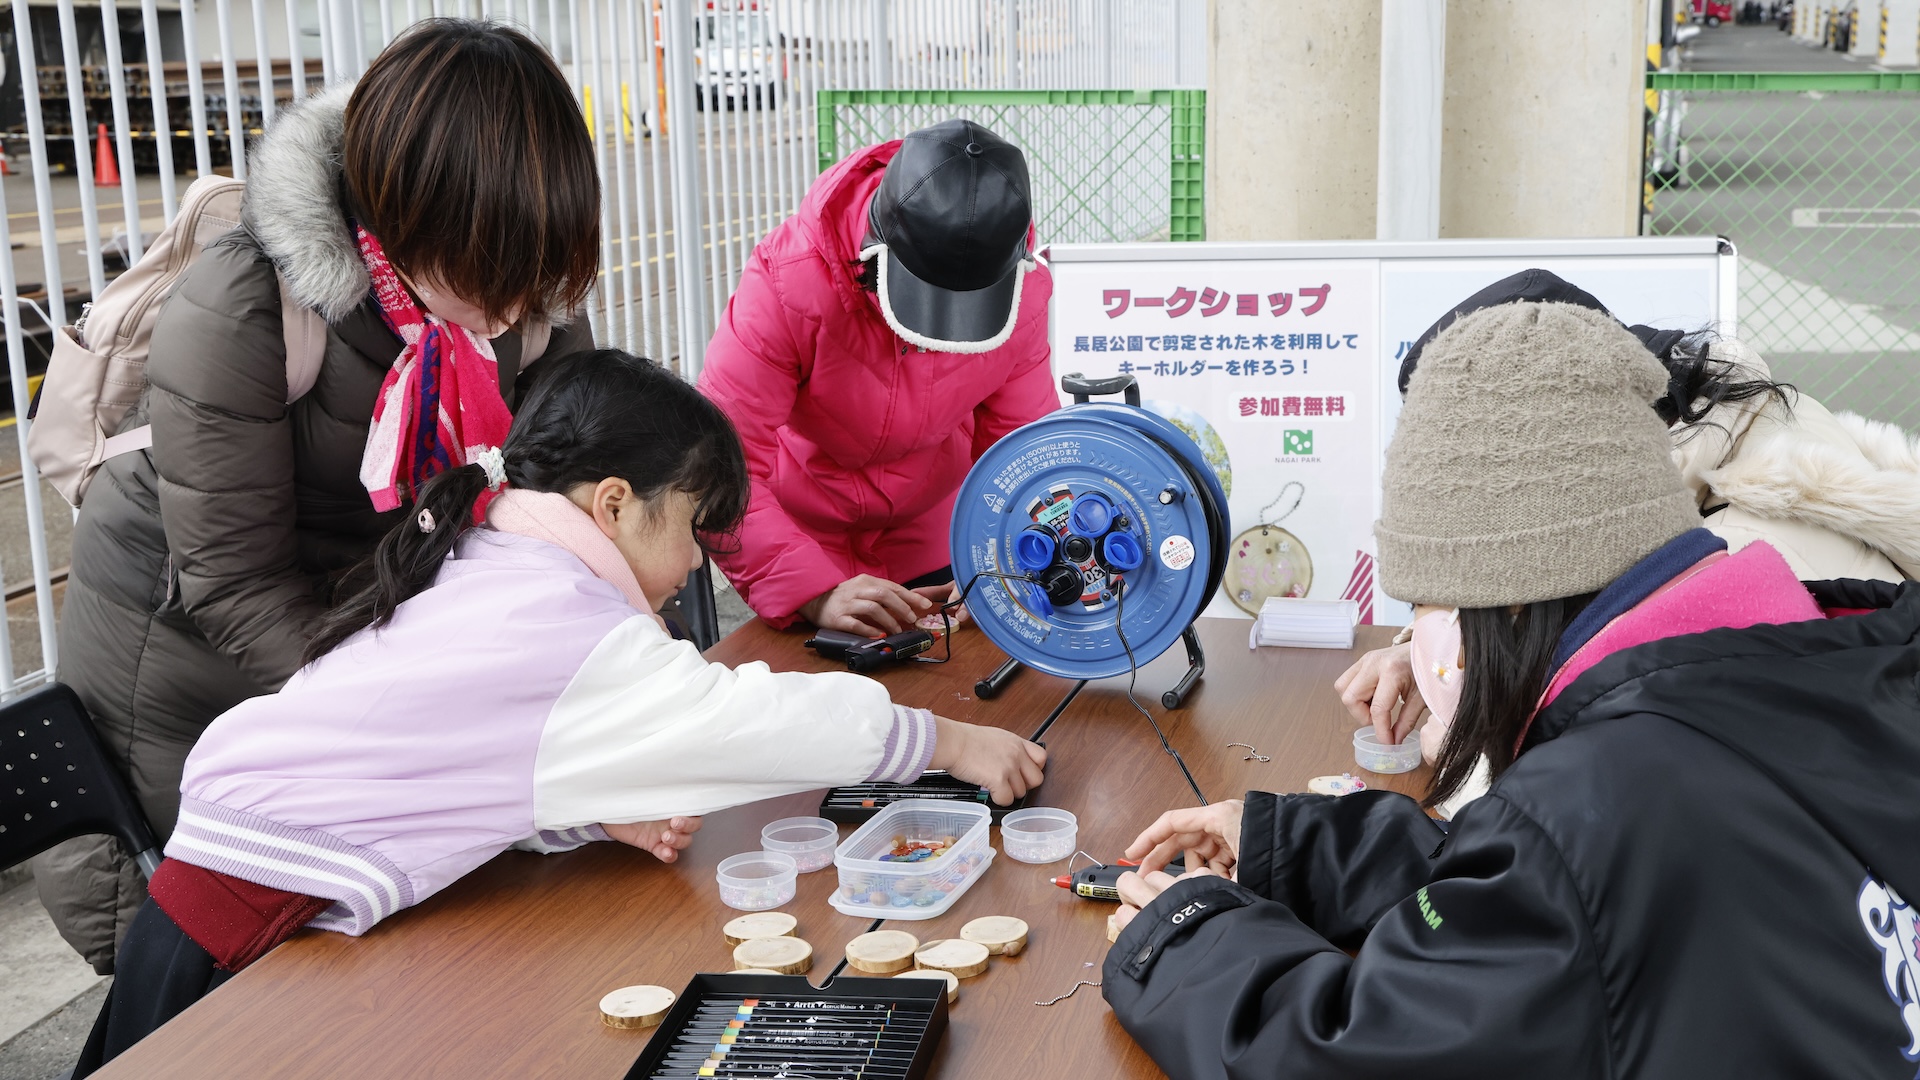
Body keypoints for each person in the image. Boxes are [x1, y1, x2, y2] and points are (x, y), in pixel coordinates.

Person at [72, 351, 1048, 1074]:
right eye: (695, 525)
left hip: (236, 877)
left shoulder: (498, 559)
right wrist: (944, 738)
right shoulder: (559, 618)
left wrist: (586, 808)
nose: (703, 563)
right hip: (242, 930)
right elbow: (743, 718)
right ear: (617, 504)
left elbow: (474, 757)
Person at [1100, 301, 1919, 1077]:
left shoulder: (1607, 798)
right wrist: (1297, 849)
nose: (1415, 644)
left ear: (1502, 602)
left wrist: (1182, 941)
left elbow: (1369, 1052)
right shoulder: (1842, 645)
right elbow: (1567, 901)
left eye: (1421, 609)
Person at [35, 20, 603, 974]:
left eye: (532, 280)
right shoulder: (250, 302)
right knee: (214, 986)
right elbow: (237, 589)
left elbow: (573, 504)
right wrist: (441, 731)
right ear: (405, 219)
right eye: (490, 279)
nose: (512, 317)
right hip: (194, 670)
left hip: (361, 655)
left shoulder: (510, 283)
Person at [1337, 269, 1919, 786]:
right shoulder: (1707, 442)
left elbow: (1561, 781)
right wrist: (1431, 650)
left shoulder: (1752, 564)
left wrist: (1458, 689)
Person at [698, 119, 1058, 637]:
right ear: (875, 244)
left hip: (938, 535)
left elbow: (1023, 455)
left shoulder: (1023, 296)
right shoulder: (789, 281)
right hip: (799, 539)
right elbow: (720, 462)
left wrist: (1000, 561)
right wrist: (811, 590)